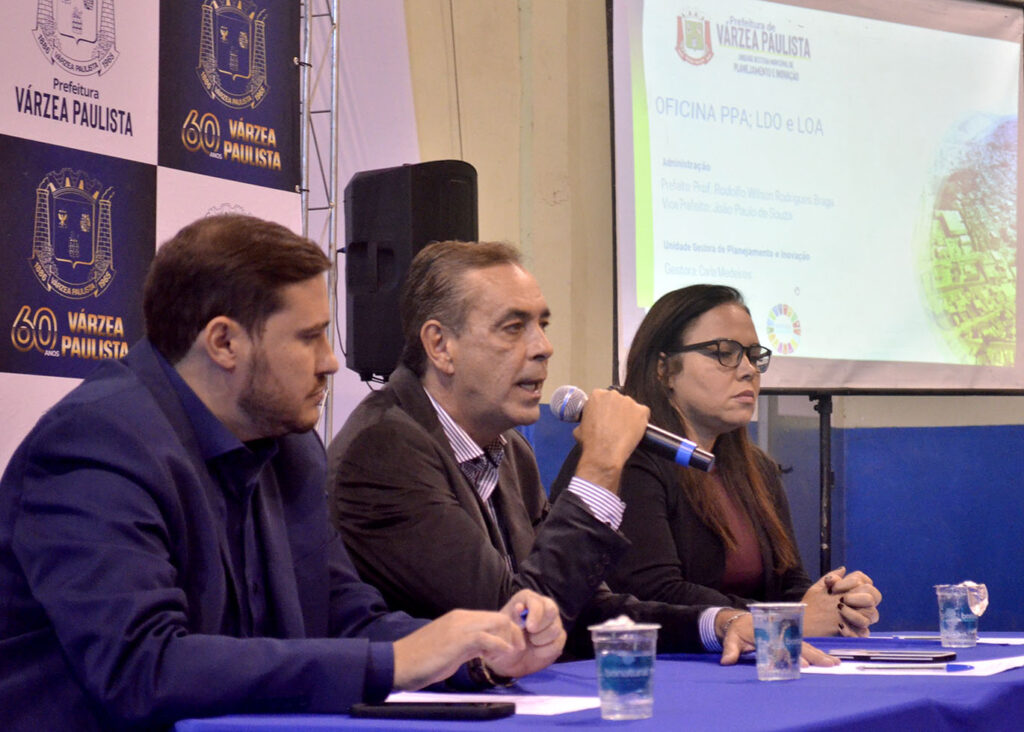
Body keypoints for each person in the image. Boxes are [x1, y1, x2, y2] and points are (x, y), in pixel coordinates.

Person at [0, 215, 565, 731]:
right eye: (308, 337)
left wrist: (480, 650)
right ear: (225, 342)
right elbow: (143, 668)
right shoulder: (98, 444)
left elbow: (346, 621)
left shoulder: (289, 445)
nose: (331, 361)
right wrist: (393, 662)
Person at [327, 241, 840, 665]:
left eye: (543, 325)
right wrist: (600, 468)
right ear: (441, 346)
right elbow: (513, 621)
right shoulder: (385, 449)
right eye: (514, 327)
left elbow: (582, 607)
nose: (543, 347)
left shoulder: (510, 452)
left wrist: (720, 622)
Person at [551, 284, 881, 642]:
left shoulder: (757, 468)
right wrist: (789, 618)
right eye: (724, 353)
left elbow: (788, 580)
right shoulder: (628, 457)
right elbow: (655, 592)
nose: (748, 370)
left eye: (754, 356)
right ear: (664, 369)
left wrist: (834, 604)